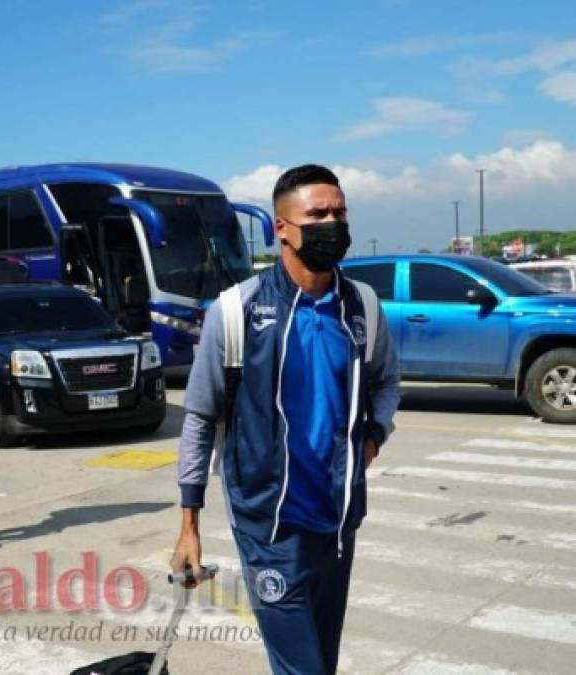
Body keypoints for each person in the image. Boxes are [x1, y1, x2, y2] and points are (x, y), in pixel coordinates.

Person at [171, 165, 402, 674]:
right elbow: (199, 417)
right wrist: (189, 525)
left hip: (339, 522)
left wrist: (374, 433)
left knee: (321, 661)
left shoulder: (361, 305)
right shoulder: (237, 311)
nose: (332, 223)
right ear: (281, 228)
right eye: (316, 214)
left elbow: (387, 382)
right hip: (268, 528)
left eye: (339, 212)